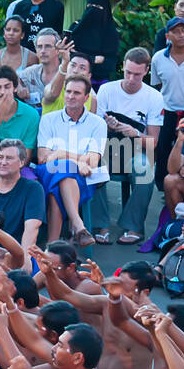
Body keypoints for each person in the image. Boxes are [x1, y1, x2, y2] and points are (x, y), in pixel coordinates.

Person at [97, 48, 166, 244]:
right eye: (128, 72)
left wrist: (134, 133)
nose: (131, 78)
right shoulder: (106, 90)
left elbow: (153, 143)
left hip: (135, 151)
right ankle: (100, 224)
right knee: (92, 166)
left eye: (137, 74)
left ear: (146, 71)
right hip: (107, 148)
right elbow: (94, 132)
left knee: (145, 172)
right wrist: (107, 127)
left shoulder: (154, 97)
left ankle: (133, 227)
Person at [35, 75, 108, 244]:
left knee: (58, 188)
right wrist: (77, 161)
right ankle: (78, 225)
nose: (70, 96)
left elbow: (93, 161)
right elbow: (42, 158)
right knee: (63, 170)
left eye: (76, 93)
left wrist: (61, 154)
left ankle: (51, 248)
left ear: (86, 97)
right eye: (68, 92)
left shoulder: (97, 123)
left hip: (80, 177)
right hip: (47, 172)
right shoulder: (49, 119)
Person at [149, 17, 184, 182]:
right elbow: (157, 85)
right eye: (176, 31)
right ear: (167, 35)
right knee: (164, 149)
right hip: (167, 112)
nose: (181, 34)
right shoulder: (158, 58)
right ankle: (162, 186)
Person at [66, 0, 119, 84]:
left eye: (98, 7)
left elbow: (110, 64)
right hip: (72, 79)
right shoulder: (75, 27)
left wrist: (81, 56)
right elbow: (68, 54)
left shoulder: (110, 33)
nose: (93, 10)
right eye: (90, 5)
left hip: (99, 81)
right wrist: (93, 59)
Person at [17, 28, 61, 110]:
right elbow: (9, 76)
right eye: (39, 47)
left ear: (58, 50)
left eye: (48, 46)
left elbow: (92, 98)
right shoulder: (30, 72)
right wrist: (18, 85)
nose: (43, 51)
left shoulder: (68, 73)